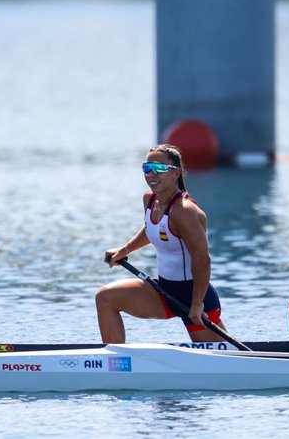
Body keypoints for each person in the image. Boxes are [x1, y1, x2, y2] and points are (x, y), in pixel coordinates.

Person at [96, 144, 227, 343]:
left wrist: (197, 303)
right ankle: (115, 362)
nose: (151, 175)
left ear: (176, 173)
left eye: (158, 169)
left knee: (222, 364)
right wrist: (125, 249)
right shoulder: (149, 199)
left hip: (193, 297)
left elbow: (202, 260)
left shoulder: (185, 212)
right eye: (147, 169)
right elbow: (153, 229)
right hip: (163, 291)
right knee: (105, 298)